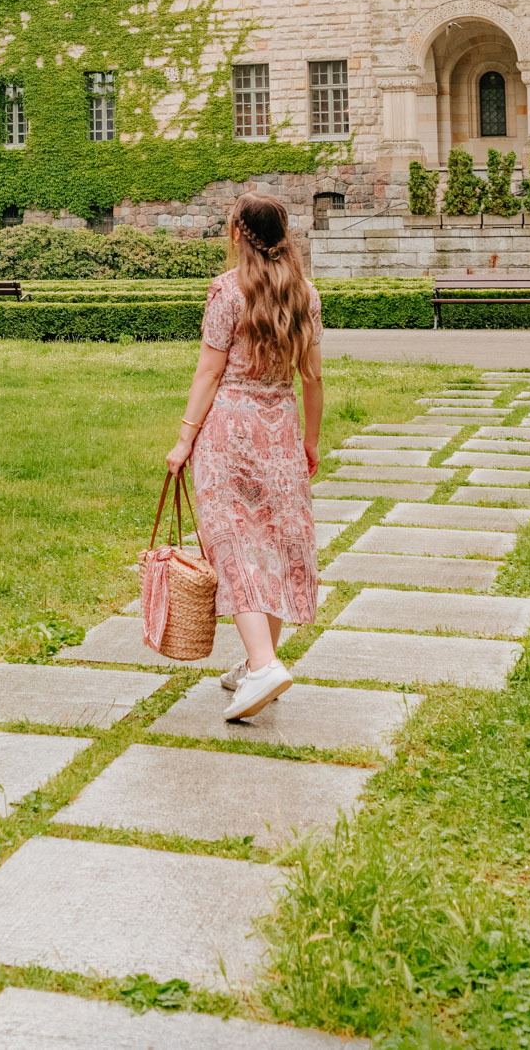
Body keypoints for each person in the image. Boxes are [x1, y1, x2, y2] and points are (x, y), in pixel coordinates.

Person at [165, 192, 322, 721]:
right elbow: (313, 377)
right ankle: (261, 658)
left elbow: (208, 373)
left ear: (238, 233)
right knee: (274, 543)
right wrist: (312, 442)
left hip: (229, 431)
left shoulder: (227, 292)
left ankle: (262, 664)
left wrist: (184, 439)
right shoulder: (305, 294)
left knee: (232, 543)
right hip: (280, 428)